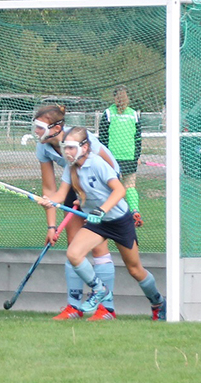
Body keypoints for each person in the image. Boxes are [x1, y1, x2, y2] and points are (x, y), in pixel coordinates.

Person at [36, 126, 166, 320]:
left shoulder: (97, 163)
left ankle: (158, 303)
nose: (67, 152)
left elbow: (119, 190)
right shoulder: (70, 168)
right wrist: (49, 201)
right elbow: (61, 195)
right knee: (74, 254)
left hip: (118, 221)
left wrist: (102, 210)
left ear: (85, 147)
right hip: (97, 223)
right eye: (65, 148)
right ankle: (99, 289)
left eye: (71, 147)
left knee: (135, 269)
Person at [33, 104, 121, 321]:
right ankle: (74, 307)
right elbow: (49, 190)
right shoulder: (43, 148)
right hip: (73, 186)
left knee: (98, 246)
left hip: (100, 188)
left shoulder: (82, 139)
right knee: (73, 245)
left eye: (40, 127)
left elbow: (112, 170)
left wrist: (93, 198)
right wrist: (51, 226)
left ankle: (106, 308)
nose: (36, 132)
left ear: (57, 128)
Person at [99, 85, 144, 227]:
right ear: (128, 98)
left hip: (111, 158)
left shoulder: (108, 113)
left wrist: (103, 156)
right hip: (130, 156)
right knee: (130, 186)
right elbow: (138, 138)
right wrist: (137, 156)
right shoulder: (134, 114)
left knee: (112, 187)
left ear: (114, 97)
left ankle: (113, 214)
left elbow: (103, 137)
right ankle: (135, 211)